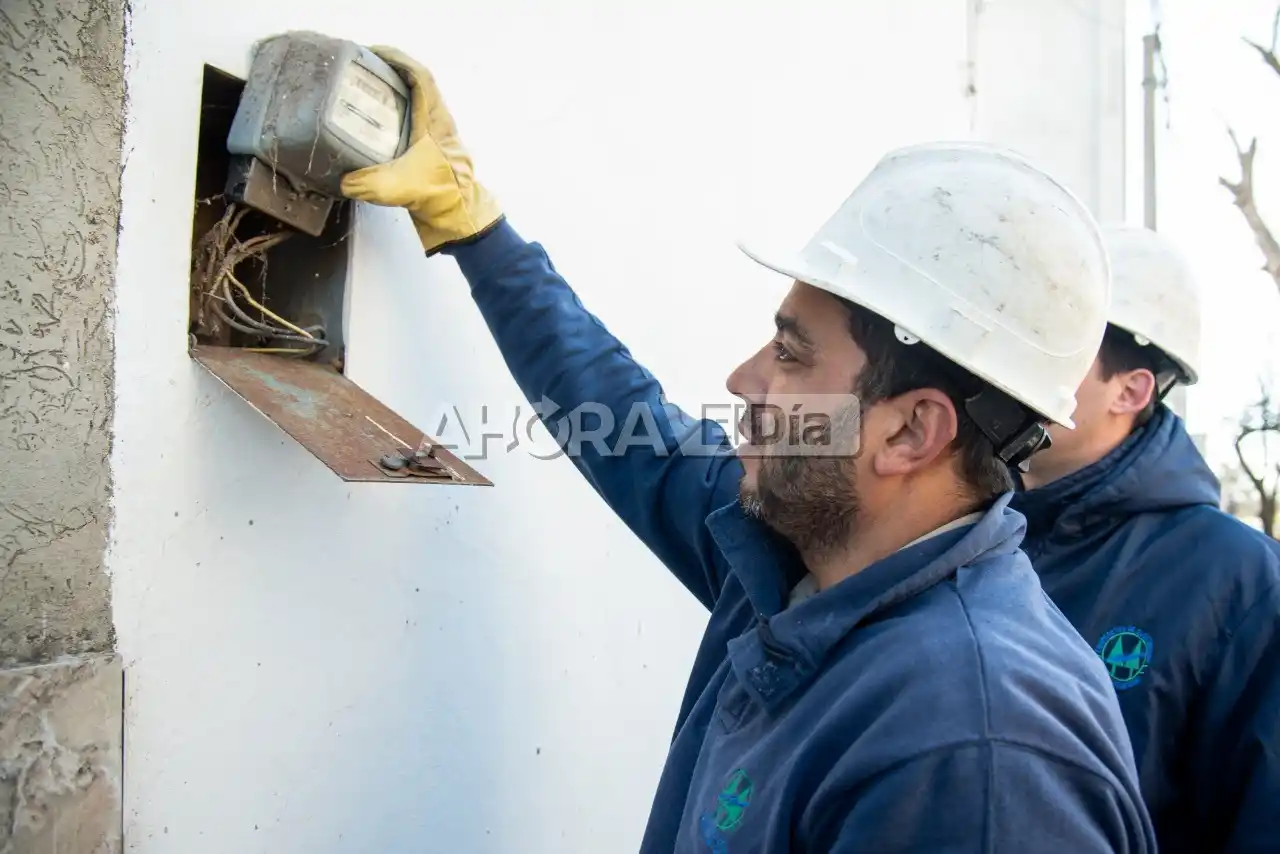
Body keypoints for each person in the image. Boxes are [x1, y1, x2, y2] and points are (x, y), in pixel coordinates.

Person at [341, 46, 1157, 852]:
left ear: (911, 432)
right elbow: (631, 424)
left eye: (791, 355)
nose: (741, 380)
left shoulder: (972, 756)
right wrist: (475, 230)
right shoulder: (802, 552)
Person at [1013, 223, 1280, 854]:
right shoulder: (962, 531)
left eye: (1052, 353)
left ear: (1131, 389)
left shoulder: (1237, 582)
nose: (1013, 371)